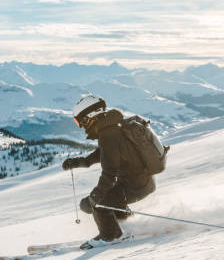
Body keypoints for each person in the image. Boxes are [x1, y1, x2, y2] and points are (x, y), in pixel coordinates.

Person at [62, 94, 156, 249]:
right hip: (139, 182)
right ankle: (124, 226)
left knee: (97, 202)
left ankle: (112, 236)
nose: (81, 126)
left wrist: (95, 198)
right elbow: (105, 154)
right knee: (94, 202)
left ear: (89, 116)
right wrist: (80, 162)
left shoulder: (108, 135)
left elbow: (109, 174)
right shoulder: (113, 129)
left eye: (80, 121)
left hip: (135, 186)